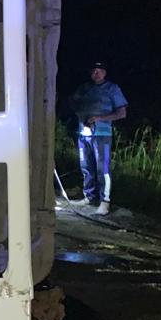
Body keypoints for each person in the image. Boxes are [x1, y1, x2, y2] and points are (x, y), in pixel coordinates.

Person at [68, 62, 128, 215]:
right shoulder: (84, 88)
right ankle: (89, 196)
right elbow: (72, 102)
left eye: (99, 71)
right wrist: (79, 114)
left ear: (104, 73)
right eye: (93, 71)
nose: (96, 73)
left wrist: (100, 117)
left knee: (103, 168)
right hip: (83, 133)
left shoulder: (112, 89)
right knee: (86, 166)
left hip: (102, 134)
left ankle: (104, 202)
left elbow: (122, 113)